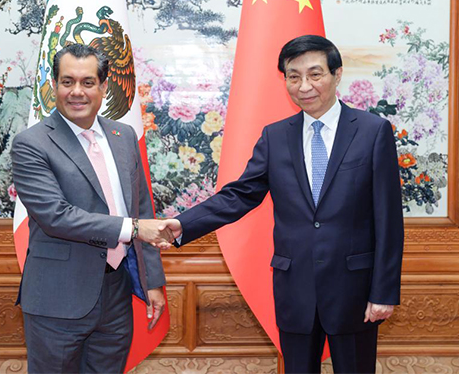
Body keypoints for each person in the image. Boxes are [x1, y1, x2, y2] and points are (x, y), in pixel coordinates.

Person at [161, 35, 404, 374]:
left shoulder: (372, 131)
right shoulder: (275, 136)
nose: (304, 86)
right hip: (295, 290)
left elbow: (389, 220)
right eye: (293, 76)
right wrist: (183, 224)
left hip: (354, 289)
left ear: (337, 74)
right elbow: (239, 195)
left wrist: (384, 292)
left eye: (315, 74)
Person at [11, 43, 175, 374]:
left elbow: (142, 209)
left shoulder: (123, 136)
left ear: (104, 86)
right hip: (57, 297)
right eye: (67, 81)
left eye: (87, 82)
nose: (77, 92)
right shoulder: (31, 144)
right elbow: (56, 216)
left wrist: (153, 281)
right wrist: (132, 229)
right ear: (54, 85)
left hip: (116, 294)